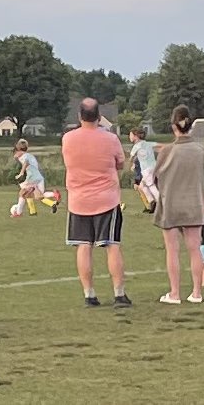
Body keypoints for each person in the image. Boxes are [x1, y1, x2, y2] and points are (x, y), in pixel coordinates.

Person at [61, 98, 130, 308]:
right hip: (106, 199)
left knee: (83, 246)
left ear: (80, 116)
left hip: (78, 200)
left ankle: (89, 295)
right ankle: (119, 294)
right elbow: (120, 163)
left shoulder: (68, 139)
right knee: (112, 245)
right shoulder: (110, 139)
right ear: (99, 117)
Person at [153, 105, 204, 305]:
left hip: (171, 204)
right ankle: (196, 292)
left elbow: (155, 176)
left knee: (172, 250)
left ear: (173, 126)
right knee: (195, 248)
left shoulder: (167, 151)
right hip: (194, 203)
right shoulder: (200, 150)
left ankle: (174, 293)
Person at [11, 139, 61, 217]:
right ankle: (53, 197)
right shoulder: (30, 155)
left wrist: (21, 173)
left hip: (32, 178)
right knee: (39, 196)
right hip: (39, 178)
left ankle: (18, 213)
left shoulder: (23, 156)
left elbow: (26, 163)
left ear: (19, 150)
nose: (15, 156)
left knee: (22, 193)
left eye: (15, 153)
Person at [129, 128, 159, 213]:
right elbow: (159, 146)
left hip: (146, 169)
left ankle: (161, 203)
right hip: (153, 167)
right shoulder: (147, 144)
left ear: (136, 136)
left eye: (130, 135)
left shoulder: (137, 145)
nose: (129, 137)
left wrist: (130, 162)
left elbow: (131, 157)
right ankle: (152, 203)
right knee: (142, 186)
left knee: (151, 186)